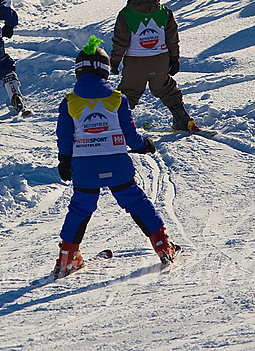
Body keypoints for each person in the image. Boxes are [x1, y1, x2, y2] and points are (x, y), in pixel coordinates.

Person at [53, 35, 179, 278]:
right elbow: (130, 135)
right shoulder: (117, 100)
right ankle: (163, 246)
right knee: (136, 202)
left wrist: (64, 161)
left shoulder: (69, 102)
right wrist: (144, 145)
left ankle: (67, 258)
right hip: (116, 164)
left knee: (80, 208)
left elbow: (64, 136)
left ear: (78, 72)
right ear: (105, 72)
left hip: (85, 168)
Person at [110, 0, 200, 132]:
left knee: (128, 94)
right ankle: (182, 120)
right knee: (167, 89)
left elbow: (120, 42)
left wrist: (114, 62)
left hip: (135, 64)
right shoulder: (164, 12)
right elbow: (172, 39)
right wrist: (175, 59)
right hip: (160, 61)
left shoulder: (126, 14)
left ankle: (115, 126)